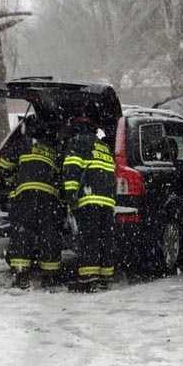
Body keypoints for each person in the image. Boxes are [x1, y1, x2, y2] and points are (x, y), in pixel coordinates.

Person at [6, 117, 66, 290]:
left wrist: (12, 181)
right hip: (48, 199)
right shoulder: (54, 150)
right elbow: (62, 176)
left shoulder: (23, 145)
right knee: (49, 234)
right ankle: (50, 276)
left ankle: (21, 274)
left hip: (25, 196)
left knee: (22, 233)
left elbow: (4, 165)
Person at [61, 115, 118, 292]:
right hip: (107, 201)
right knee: (105, 238)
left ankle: (89, 278)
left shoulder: (78, 142)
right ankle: (105, 277)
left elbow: (72, 168)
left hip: (89, 198)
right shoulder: (103, 147)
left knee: (89, 238)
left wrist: (70, 195)